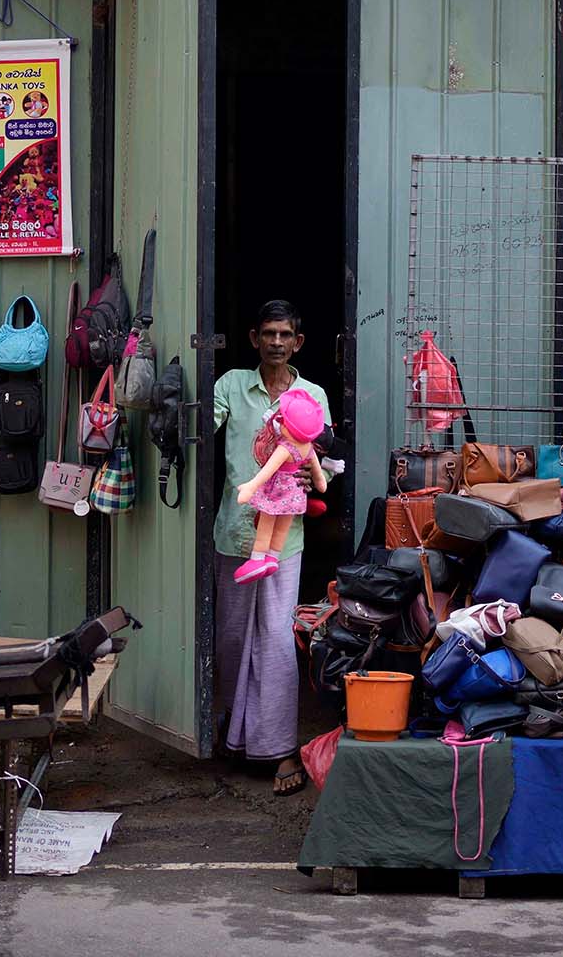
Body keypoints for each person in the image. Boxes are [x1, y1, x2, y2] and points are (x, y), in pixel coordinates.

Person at [209, 300, 333, 795]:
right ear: (254, 339)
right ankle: (230, 739)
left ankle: (279, 750)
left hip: (286, 536)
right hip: (235, 532)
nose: (277, 342)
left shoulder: (312, 394)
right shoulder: (231, 385)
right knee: (234, 637)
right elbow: (202, 427)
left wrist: (312, 469)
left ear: (298, 342)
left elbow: (320, 452)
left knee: (278, 641)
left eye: (285, 334)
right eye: (268, 334)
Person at [230, 388, 329, 583]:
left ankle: (257, 559)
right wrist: (321, 483)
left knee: (267, 523)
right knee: (283, 526)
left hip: (276, 492)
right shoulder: (308, 448)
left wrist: (251, 487)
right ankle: (273, 557)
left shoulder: (285, 448)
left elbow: (267, 470)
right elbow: (318, 474)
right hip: (295, 495)